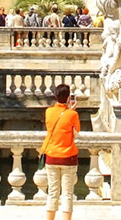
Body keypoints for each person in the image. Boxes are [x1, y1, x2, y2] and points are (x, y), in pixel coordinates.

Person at [41, 84, 81, 220]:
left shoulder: (48, 112)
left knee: (52, 192)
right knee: (67, 194)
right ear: (69, 97)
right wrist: (71, 110)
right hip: (68, 157)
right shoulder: (72, 114)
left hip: (51, 156)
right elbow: (76, 132)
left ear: (55, 97)